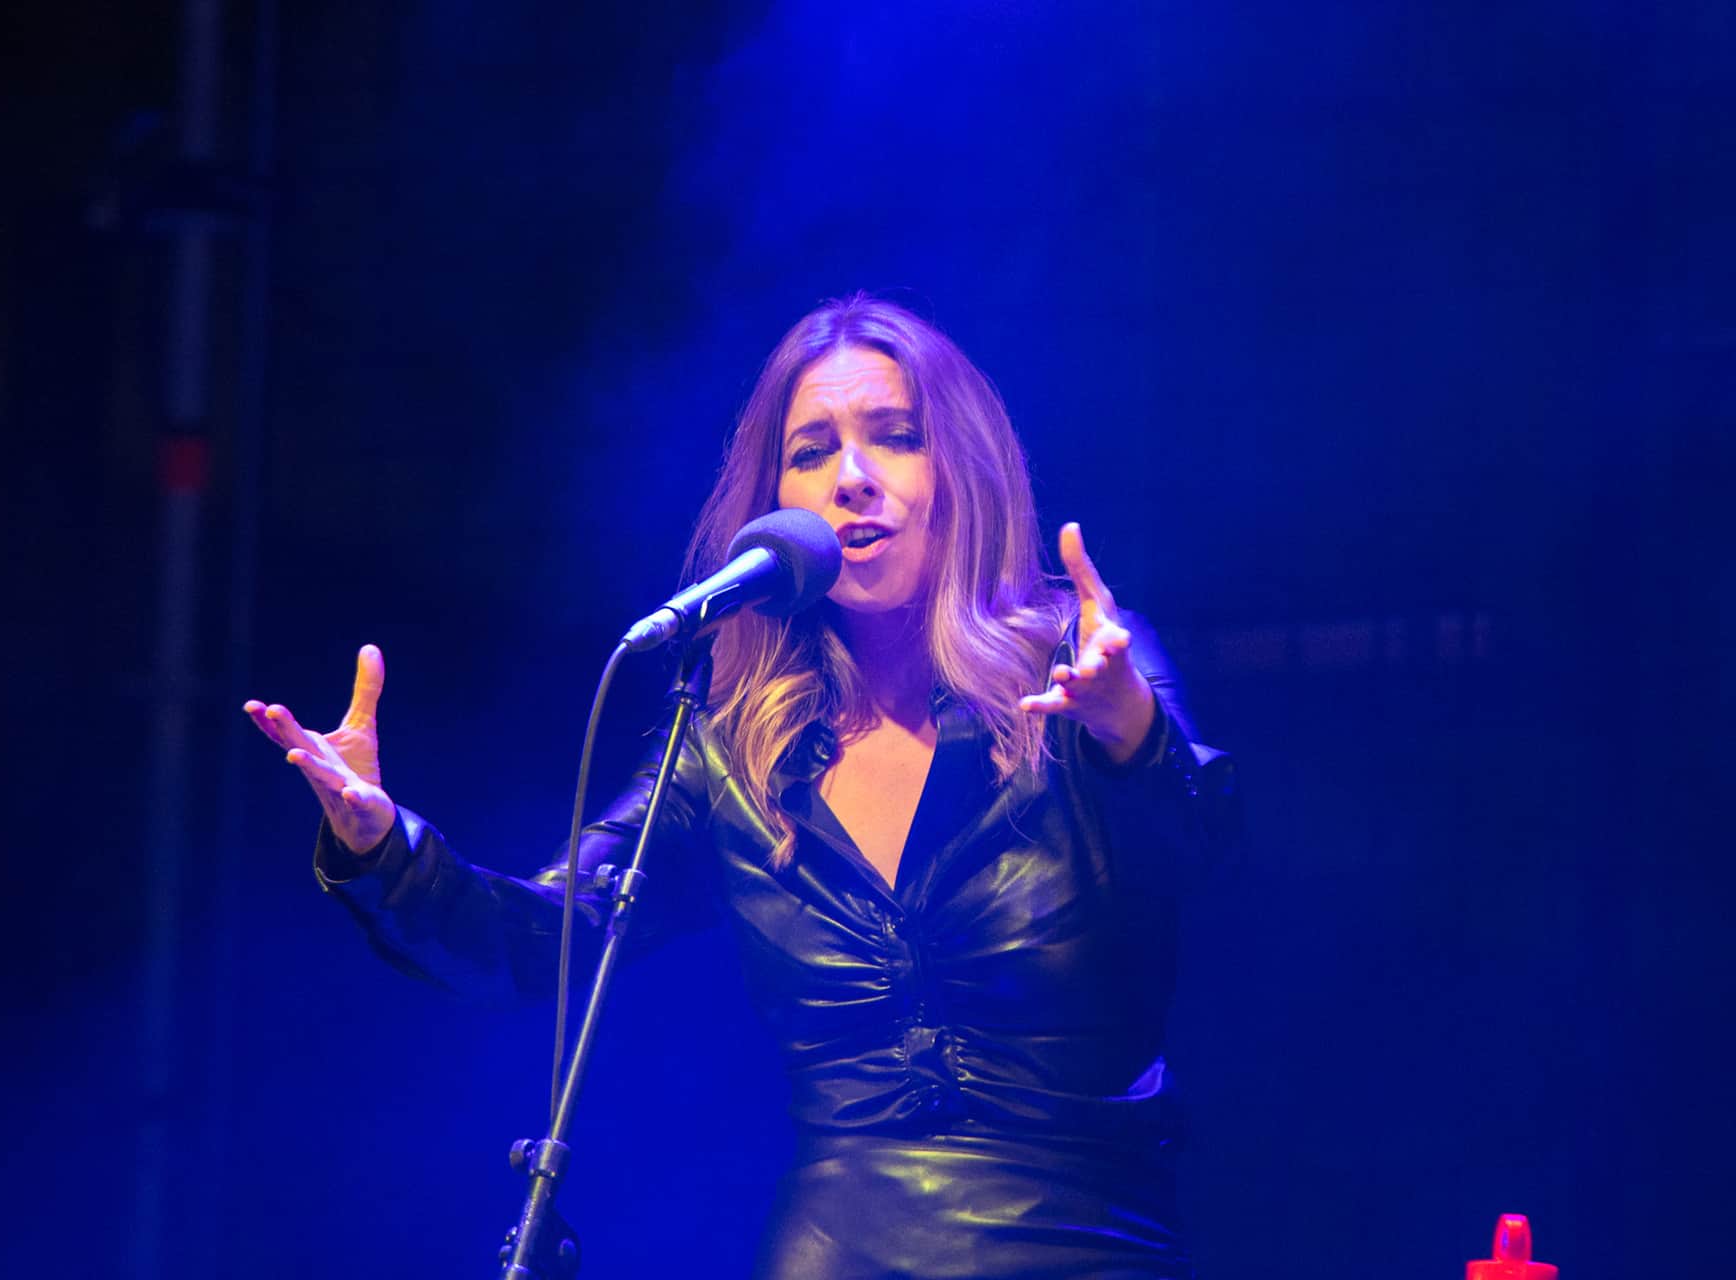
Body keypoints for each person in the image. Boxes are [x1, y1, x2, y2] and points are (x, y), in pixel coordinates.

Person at [245, 295, 1236, 1279]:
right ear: (777, 505)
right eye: (812, 452)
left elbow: (1204, 856)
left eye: (894, 438)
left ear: (962, 470)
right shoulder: (731, 749)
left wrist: (1128, 729)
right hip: (841, 1245)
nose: (851, 478)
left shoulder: (1080, 667)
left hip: (1089, 1236)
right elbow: (541, 943)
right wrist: (384, 850)